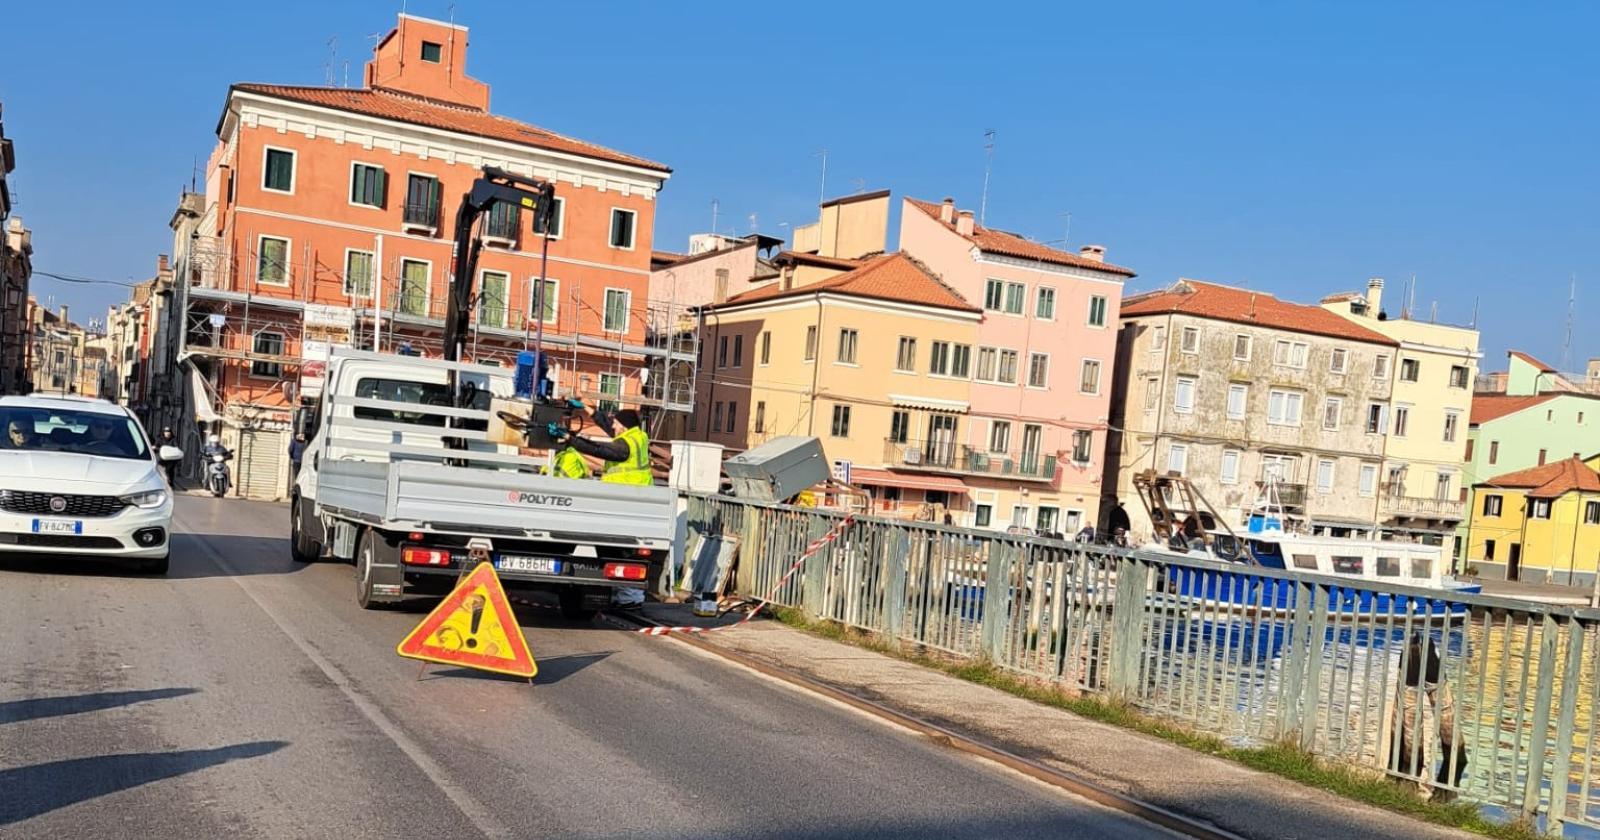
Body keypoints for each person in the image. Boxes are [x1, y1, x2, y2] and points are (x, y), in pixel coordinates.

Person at [550, 405, 651, 608]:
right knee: (618, 549)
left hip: (628, 501)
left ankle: (630, 598)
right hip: (630, 501)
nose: (613, 425)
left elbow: (599, 449)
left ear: (623, 425)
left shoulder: (625, 445)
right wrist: (588, 408)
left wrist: (570, 439)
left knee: (623, 551)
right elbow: (607, 424)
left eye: (616, 422)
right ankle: (627, 596)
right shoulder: (634, 436)